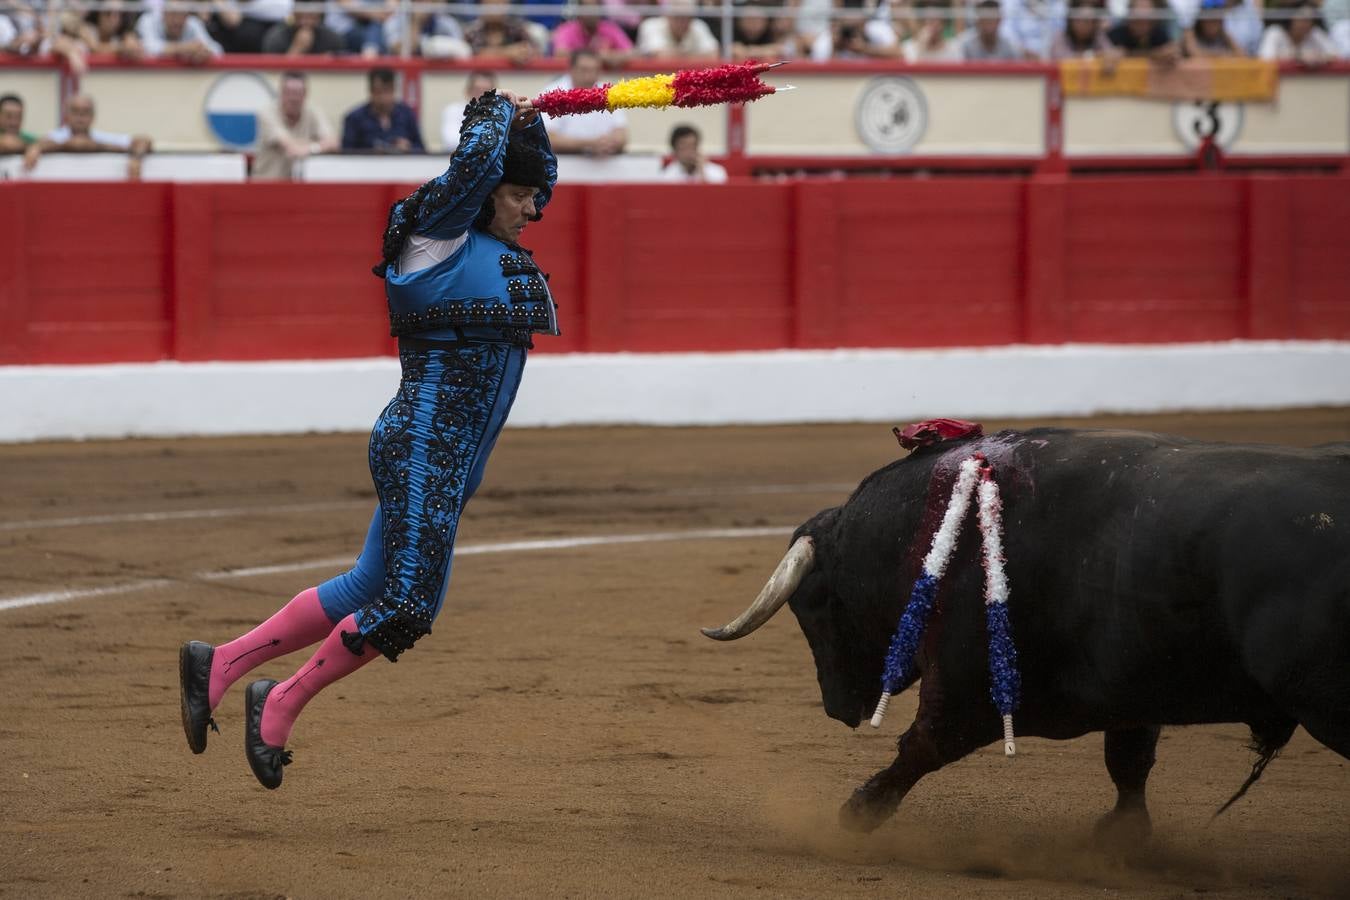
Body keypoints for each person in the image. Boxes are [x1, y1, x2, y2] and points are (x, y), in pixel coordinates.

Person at [179, 88, 559, 791]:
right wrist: (493, 112)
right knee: (410, 604)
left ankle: (222, 663)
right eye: (523, 195)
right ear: (484, 194)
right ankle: (280, 703)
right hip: (421, 449)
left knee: (370, 583)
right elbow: (476, 164)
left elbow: (514, 171)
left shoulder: (481, 241)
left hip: (443, 461)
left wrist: (534, 124)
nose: (536, 209)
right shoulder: (431, 232)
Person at [23, 94, 152, 179]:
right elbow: (77, 143)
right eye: (75, 112)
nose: (80, 118)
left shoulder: (102, 136)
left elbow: (143, 140)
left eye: (85, 113)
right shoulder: (53, 137)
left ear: (93, 116)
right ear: (66, 115)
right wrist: (36, 148)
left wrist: (136, 158)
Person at [251, 71, 338, 180]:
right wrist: (317, 144)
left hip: (301, 186)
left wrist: (311, 148)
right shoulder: (266, 113)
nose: (293, 98)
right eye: (289, 92)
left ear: (306, 94)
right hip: (266, 184)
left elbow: (334, 143)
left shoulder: (314, 112)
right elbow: (291, 148)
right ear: (281, 93)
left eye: (297, 93)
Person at [540, 49, 628, 156]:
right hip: (563, 165)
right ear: (571, 69)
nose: (589, 76)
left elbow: (622, 135)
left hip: (604, 163)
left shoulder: (610, 93)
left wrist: (606, 144)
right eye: (584, 70)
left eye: (595, 70)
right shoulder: (552, 93)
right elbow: (547, 139)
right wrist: (590, 144)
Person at [342, 68, 425, 153]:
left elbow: (422, 150)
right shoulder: (354, 118)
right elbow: (346, 153)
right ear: (370, 91)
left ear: (393, 90)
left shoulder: (407, 115)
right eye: (378, 92)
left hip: (402, 164)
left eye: (387, 91)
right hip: (367, 165)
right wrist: (371, 152)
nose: (382, 97)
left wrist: (409, 148)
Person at [551, 4, 635, 65]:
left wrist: (610, 56)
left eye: (594, 9)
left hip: (606, 78)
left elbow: (631, 53)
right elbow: (560, 53)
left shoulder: (610, 28)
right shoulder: (567, 29)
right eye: (587, 9)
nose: (591, 13)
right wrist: (595, 55)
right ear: (579, 12)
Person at [137, 4, 225, 61]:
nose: (177, 21)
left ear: (187, 15)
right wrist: (183, 49)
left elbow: (217, 50)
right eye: (173, 14)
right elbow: (146, 47)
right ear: (163, 14)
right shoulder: (147, 20)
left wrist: (205, 52)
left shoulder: (193, 23)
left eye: (181, 14)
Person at [1257, 0, 1337, 62]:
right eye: (1303, 19)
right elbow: (1265, 60)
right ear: (1291, 18)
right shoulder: (1274, 33)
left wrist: (1320, 57)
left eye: (1310, 20)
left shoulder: (1314, 33)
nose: (1306, 24)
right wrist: (1298, 57)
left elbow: (1336, 55)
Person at [637, 0, 721, 58]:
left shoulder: (698, 26)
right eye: (678, 17)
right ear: (667, 16)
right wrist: (695, 55)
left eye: (687, 17)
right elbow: (659, 56)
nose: (682, 22)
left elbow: (714, 54)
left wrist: (677, 54)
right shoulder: (650, 25)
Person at [1106, 0, 1180, 63]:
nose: (1142, 24)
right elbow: (1101, 53)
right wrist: (1155, 55)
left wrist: (1128, 54)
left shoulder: (1159, 34)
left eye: (1147, 18)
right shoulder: (1116, 34)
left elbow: (1173, 52)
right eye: (1137, 19)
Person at [441, 70, 497, 152]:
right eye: (477, 90)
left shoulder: (501, 113)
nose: (482, 95)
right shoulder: (453, 110)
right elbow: (451, 142)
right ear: (467, 91)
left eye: (487, 91)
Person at [1049, 0, 1120, 57]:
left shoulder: (1098, 36)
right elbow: (1062, 58)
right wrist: (1093, 55)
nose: (1082, 24)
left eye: (1087, 20)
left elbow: (1110, 53)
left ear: (1094, 23)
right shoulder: (1060, 36)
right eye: (1078, 19)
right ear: (1071, 20)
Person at [956, 0, 1024, 58]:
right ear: (978, 21)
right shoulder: (967, 45)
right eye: (985, 19)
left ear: (999, 21)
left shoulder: (1009, 46)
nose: (989, 24)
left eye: (992, 20)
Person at [661, 123, 727, 182]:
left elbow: (714, 194)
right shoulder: (667, 175)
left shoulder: (717, 172)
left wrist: (702, 171)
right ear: (675, 150)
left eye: (693, 146)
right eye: (684, 147)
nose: (689, 152)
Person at [260, 9, 344, 54]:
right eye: (301, 16)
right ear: (293, 13)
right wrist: (297, 49)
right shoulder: (276, 37)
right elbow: (273, 74)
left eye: (311, 16)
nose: (306, 22)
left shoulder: (332, 38)